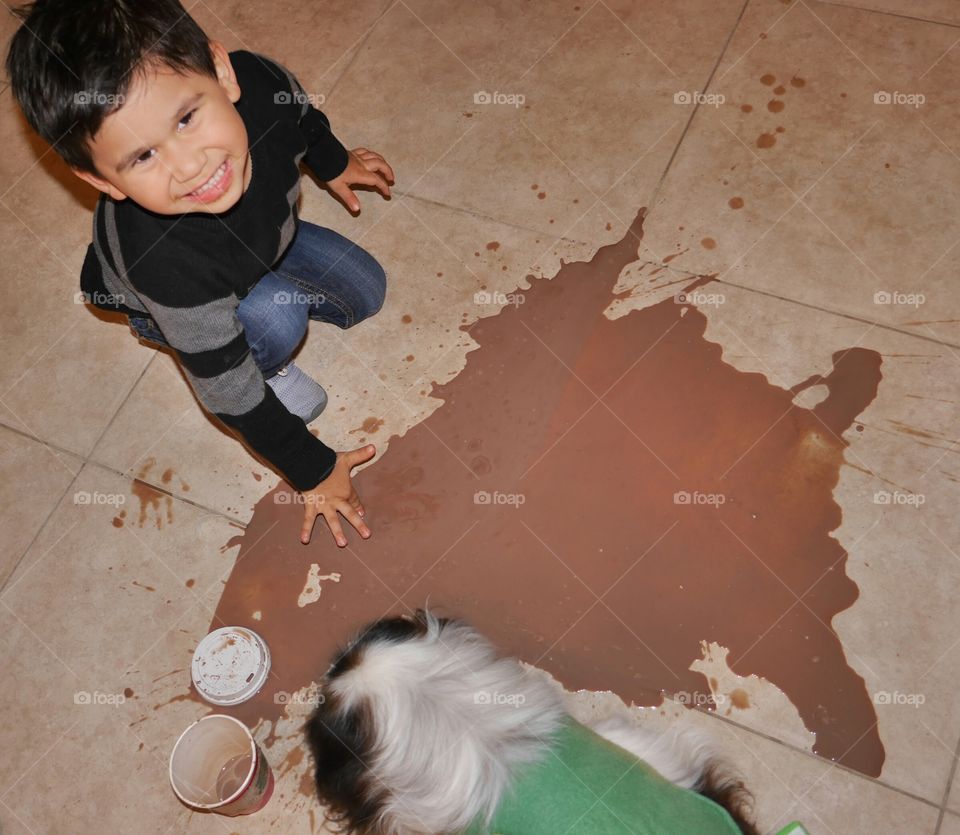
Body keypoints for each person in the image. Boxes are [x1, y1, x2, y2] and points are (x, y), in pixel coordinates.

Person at [5, 0, 396, 546]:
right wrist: (311, 467)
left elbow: (302, 116)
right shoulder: (163, 266)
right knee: (274, 323)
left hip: (261, 244)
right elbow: (230, 394)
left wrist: (333, 162)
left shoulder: (260, 79)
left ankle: (263, 289)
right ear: (100, 181)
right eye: (142, 157)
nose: (190, 167)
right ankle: (254, 361)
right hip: (182, 295)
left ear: (224, 73)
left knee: (366, 290)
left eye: (187, 119)